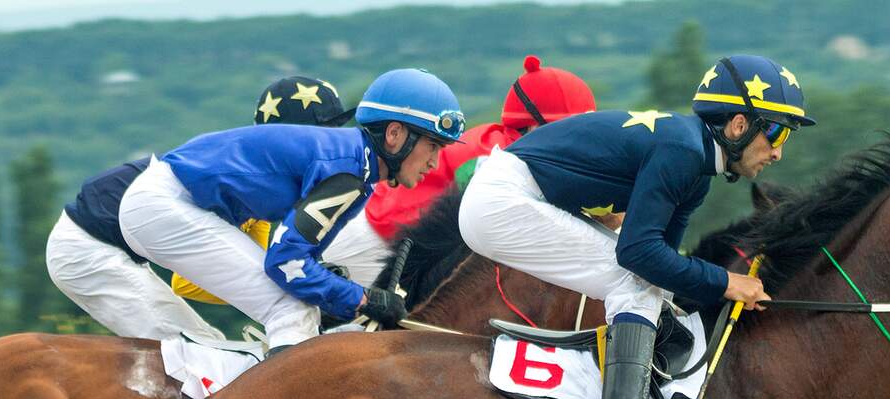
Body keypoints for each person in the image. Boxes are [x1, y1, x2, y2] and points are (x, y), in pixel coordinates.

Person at [459, 55, 813, 399]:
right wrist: (727, 282)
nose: (777, 151)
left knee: (651, 286)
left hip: (514, 194)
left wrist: (719, 291)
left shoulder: (696, 169)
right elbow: (639, 258)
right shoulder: (683, 151)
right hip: (502, 200)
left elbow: (663, 262)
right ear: (738, 125)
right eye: (776, 132)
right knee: (637, 282)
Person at [116, 69, 464, 351]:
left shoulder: (356, 167)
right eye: (432, 145)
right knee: (290, 308)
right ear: (394, 134)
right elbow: (285, 263)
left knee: (297, 304)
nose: (435, 162)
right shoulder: (349, 172)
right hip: (165, 206)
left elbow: (295, 258)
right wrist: (363, 298)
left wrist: (341, 291)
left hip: (161, 204)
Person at [45, 76, 350, 341]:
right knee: (194, 350)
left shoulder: (259, 173)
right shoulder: (251, 182)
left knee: (209, 345)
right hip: (88, 250)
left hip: (106, 240)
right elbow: (188, 284)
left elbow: (255, 268)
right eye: (327, 136)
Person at [322, 55, 596, 284]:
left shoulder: (505, 144)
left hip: (390, 232)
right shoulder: (496, 157)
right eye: (572, 131)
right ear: (536, 126)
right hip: (375, 242)